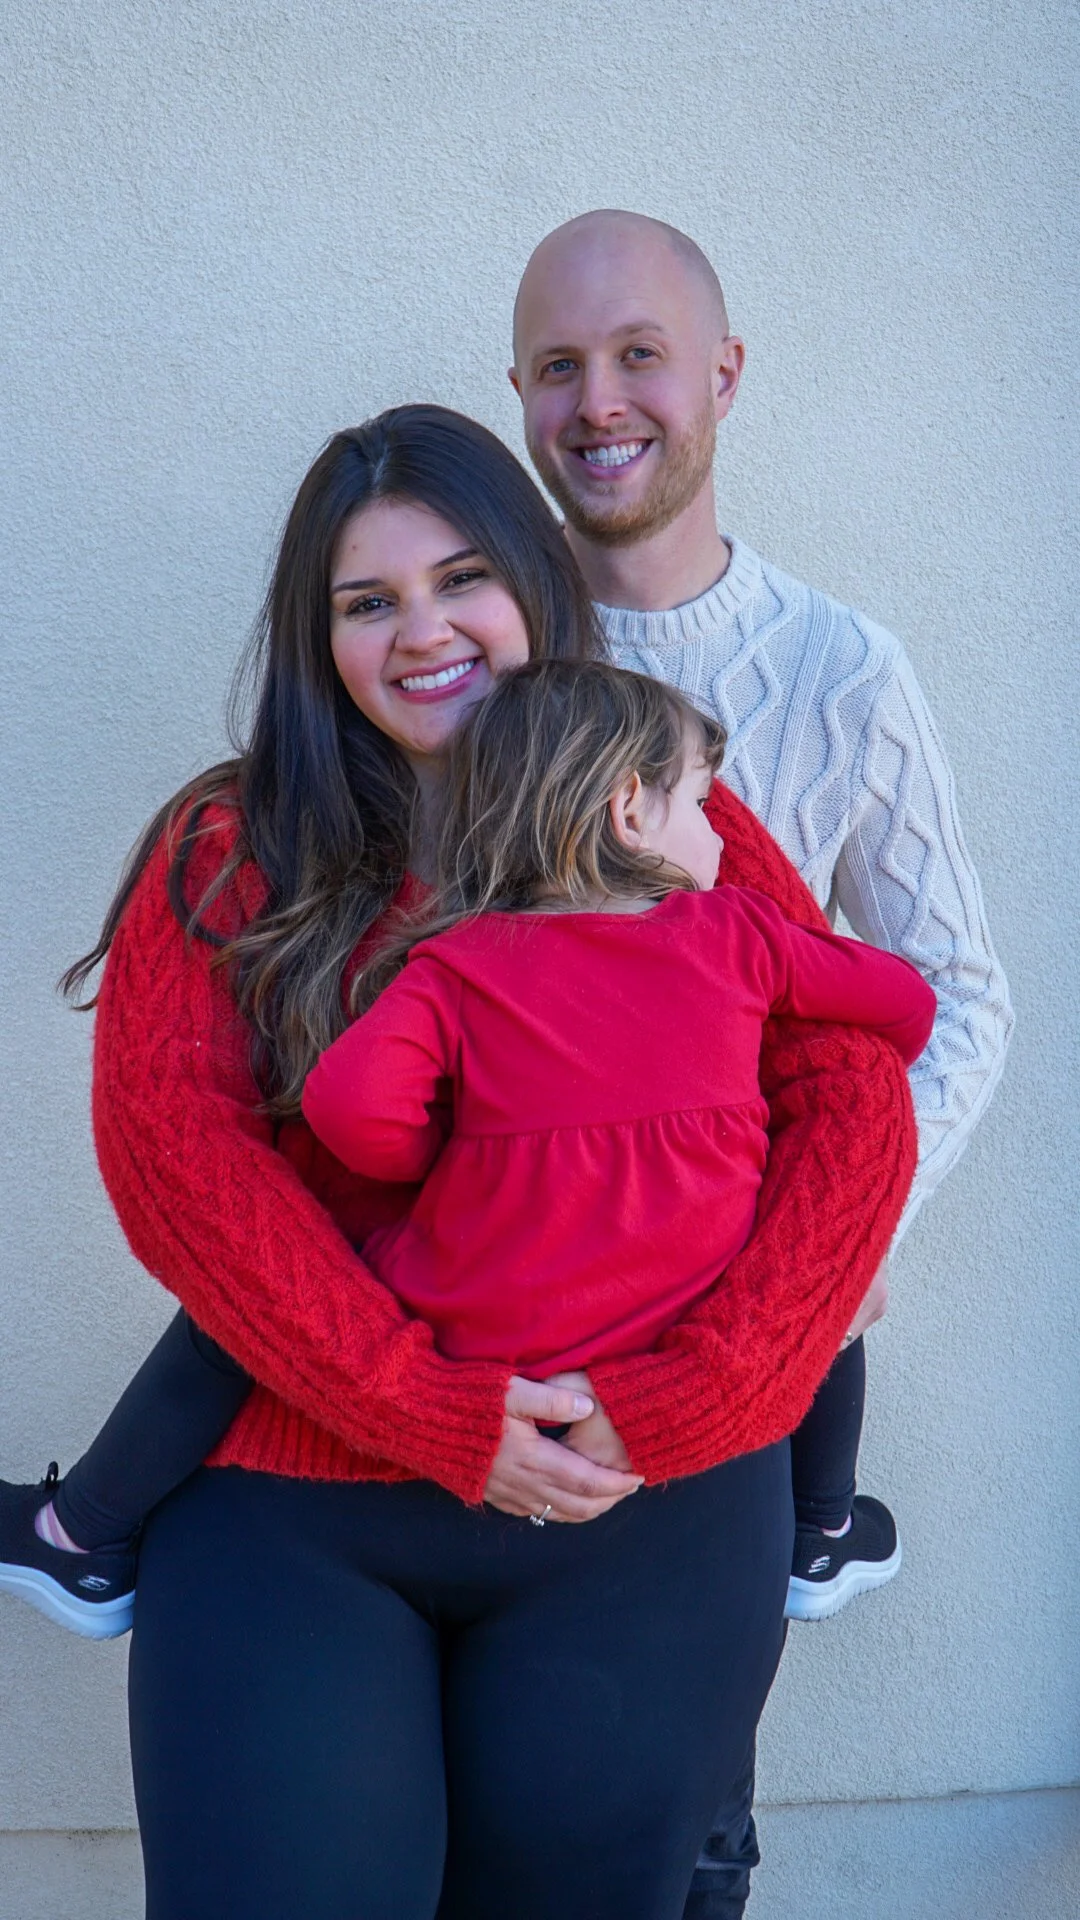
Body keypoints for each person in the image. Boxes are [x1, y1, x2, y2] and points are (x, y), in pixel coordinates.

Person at [0, 405, 917, 1920]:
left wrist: (712, 1390)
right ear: (323, 641)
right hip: (296, 1501)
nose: (422, 631)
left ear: (535, 590)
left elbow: (851, 1091)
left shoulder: (666, 814)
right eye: (369, 602)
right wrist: (419, 1401)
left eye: (463, 579)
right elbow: (181, 1163)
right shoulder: (235, 841)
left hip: (644, 1498)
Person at [509, 207, 1014, 1624]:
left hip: (739, 1331)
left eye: (638, 355)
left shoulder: (844, 670)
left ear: (723, 375)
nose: (598, 402)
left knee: (694, 1801)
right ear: (520, 398)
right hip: (515, 1327)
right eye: (558, 366)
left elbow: (960, 996)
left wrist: (847, 1232)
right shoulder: (485, 653)